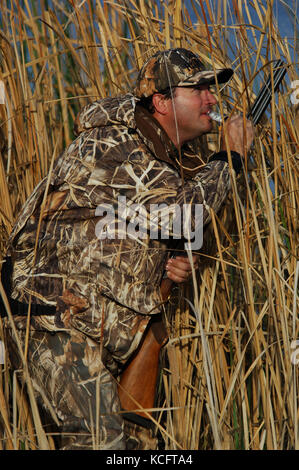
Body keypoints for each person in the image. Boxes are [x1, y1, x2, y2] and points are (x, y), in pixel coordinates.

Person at [3, 48, 254, 450]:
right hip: (54, 321)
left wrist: (172, 263)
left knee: (133, 449)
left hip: (97, 329)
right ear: (161, 101)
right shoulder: (116, 144)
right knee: (100, 444)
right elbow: (185, 213)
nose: (212, 98)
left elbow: (123, 227)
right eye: (199, 89)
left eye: (213, 88)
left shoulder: (168, 159)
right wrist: (230, 158)